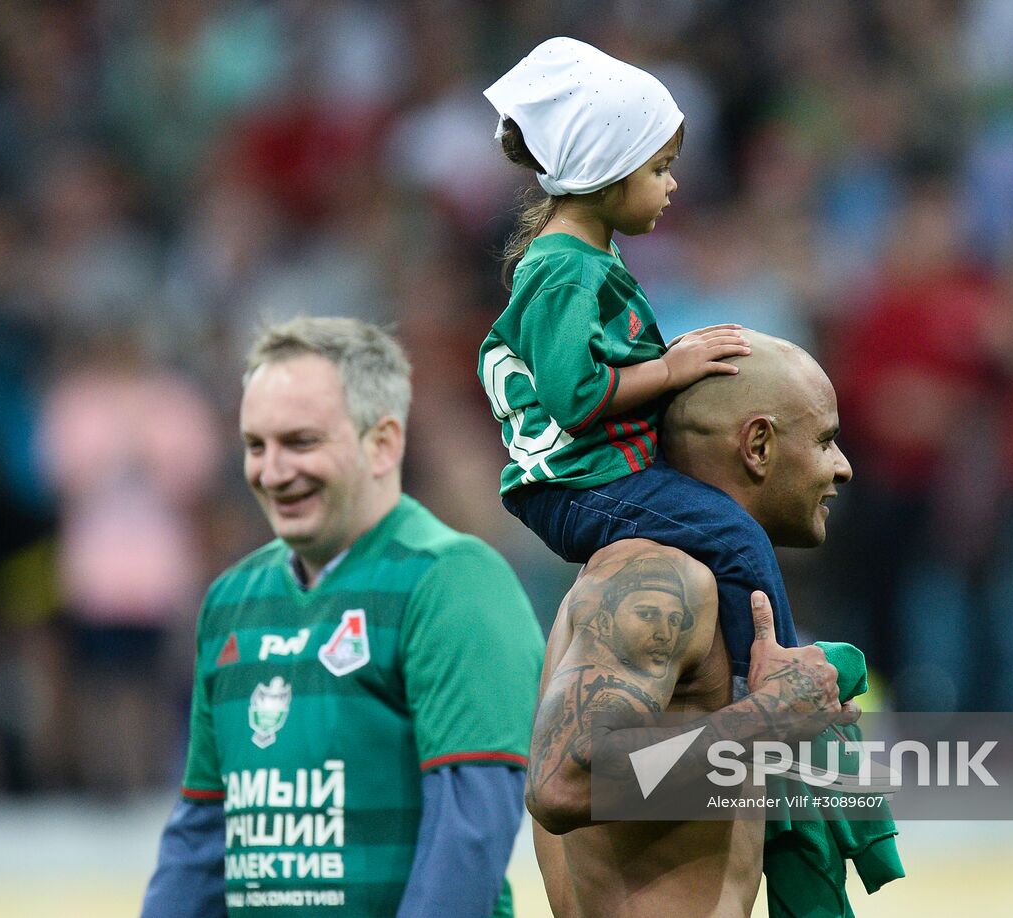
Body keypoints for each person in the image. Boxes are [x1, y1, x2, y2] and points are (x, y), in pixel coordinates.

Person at [141, 317, 545, 918]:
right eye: (256, 445)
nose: (272, 472)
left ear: (382, 442)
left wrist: (733, 770)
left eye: (301, 442)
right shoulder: (231, 600)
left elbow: (470, 832)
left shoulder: (454, 584)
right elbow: (202, 836)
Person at [478, 38, 794, 698]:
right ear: (606, 170)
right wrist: (674, 369)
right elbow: (575, 397)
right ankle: (765, 686)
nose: (672, 185)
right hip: (582, 483)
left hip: (599, 472)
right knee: (736, 538)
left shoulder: (590, 256)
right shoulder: (564, 269)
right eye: (659, 168)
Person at [527, 332, 862, 917]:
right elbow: (562, 783)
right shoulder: (663, 578)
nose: (844, 466)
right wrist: (771, 717)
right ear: (758, 444)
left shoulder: (680, 579)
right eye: (827, 440)